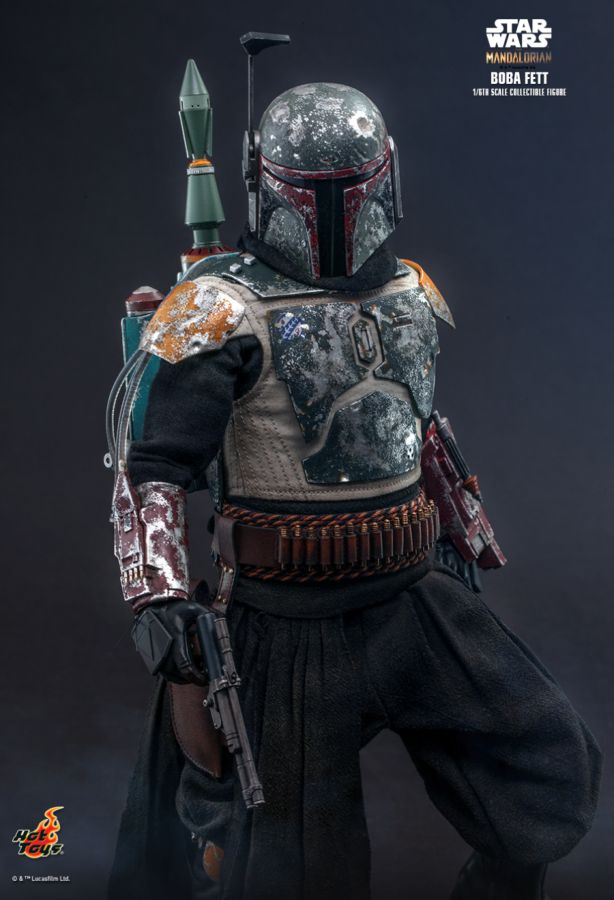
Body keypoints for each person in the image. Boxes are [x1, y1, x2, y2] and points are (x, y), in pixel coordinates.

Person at [109, 82, 601, 900]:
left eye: (350, 187)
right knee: (298, 864)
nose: (336, 210)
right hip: (285, 617)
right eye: (320, 192)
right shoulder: (219, 311)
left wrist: (459, 531)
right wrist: (156, 598)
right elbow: (151, 467)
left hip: (411, 593)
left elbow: (418, 425)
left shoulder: (407, 289)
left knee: (548, 773)